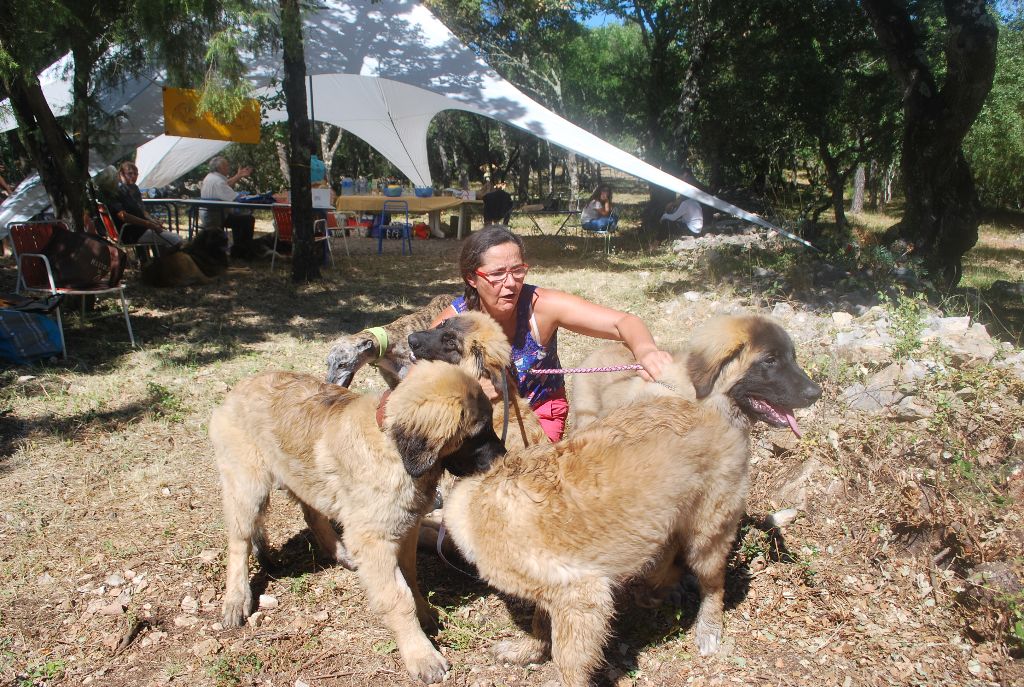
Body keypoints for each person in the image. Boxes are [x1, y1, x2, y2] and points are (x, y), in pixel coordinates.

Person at [431, 225, 672, 442]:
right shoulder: (452, 325)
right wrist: (465, 391)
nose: (511, 283)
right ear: (471, 278)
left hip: (540, 412)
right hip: (481, 416)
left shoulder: (540, 307)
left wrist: (646, 351)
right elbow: (414, 380)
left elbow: (623, 322)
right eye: (497, 274)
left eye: (517, 270)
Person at [107, 161, 184, 250]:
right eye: (130, 173)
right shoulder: (117, 191)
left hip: (140, 229)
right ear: (120, 174)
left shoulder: (133, 188)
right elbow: (123, 216)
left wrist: (153, 222)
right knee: (177, 240)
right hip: (133, 232)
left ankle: (161, 262)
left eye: (136, 174)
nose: (133, 176)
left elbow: (142, 210)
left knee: (165, 240)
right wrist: (149, 224)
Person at [199, 156, 256, 258]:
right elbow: (236, 198)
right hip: (217, 218)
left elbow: (226, 185)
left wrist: (239, 175)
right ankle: (243, 252)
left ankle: (238, 250)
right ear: (220, 167)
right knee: (248, 219)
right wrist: (255, 198)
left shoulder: (210, 177)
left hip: (208, 215)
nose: (228, 167)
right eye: (226, 165)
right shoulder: (218, 182)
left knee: (239, 218)